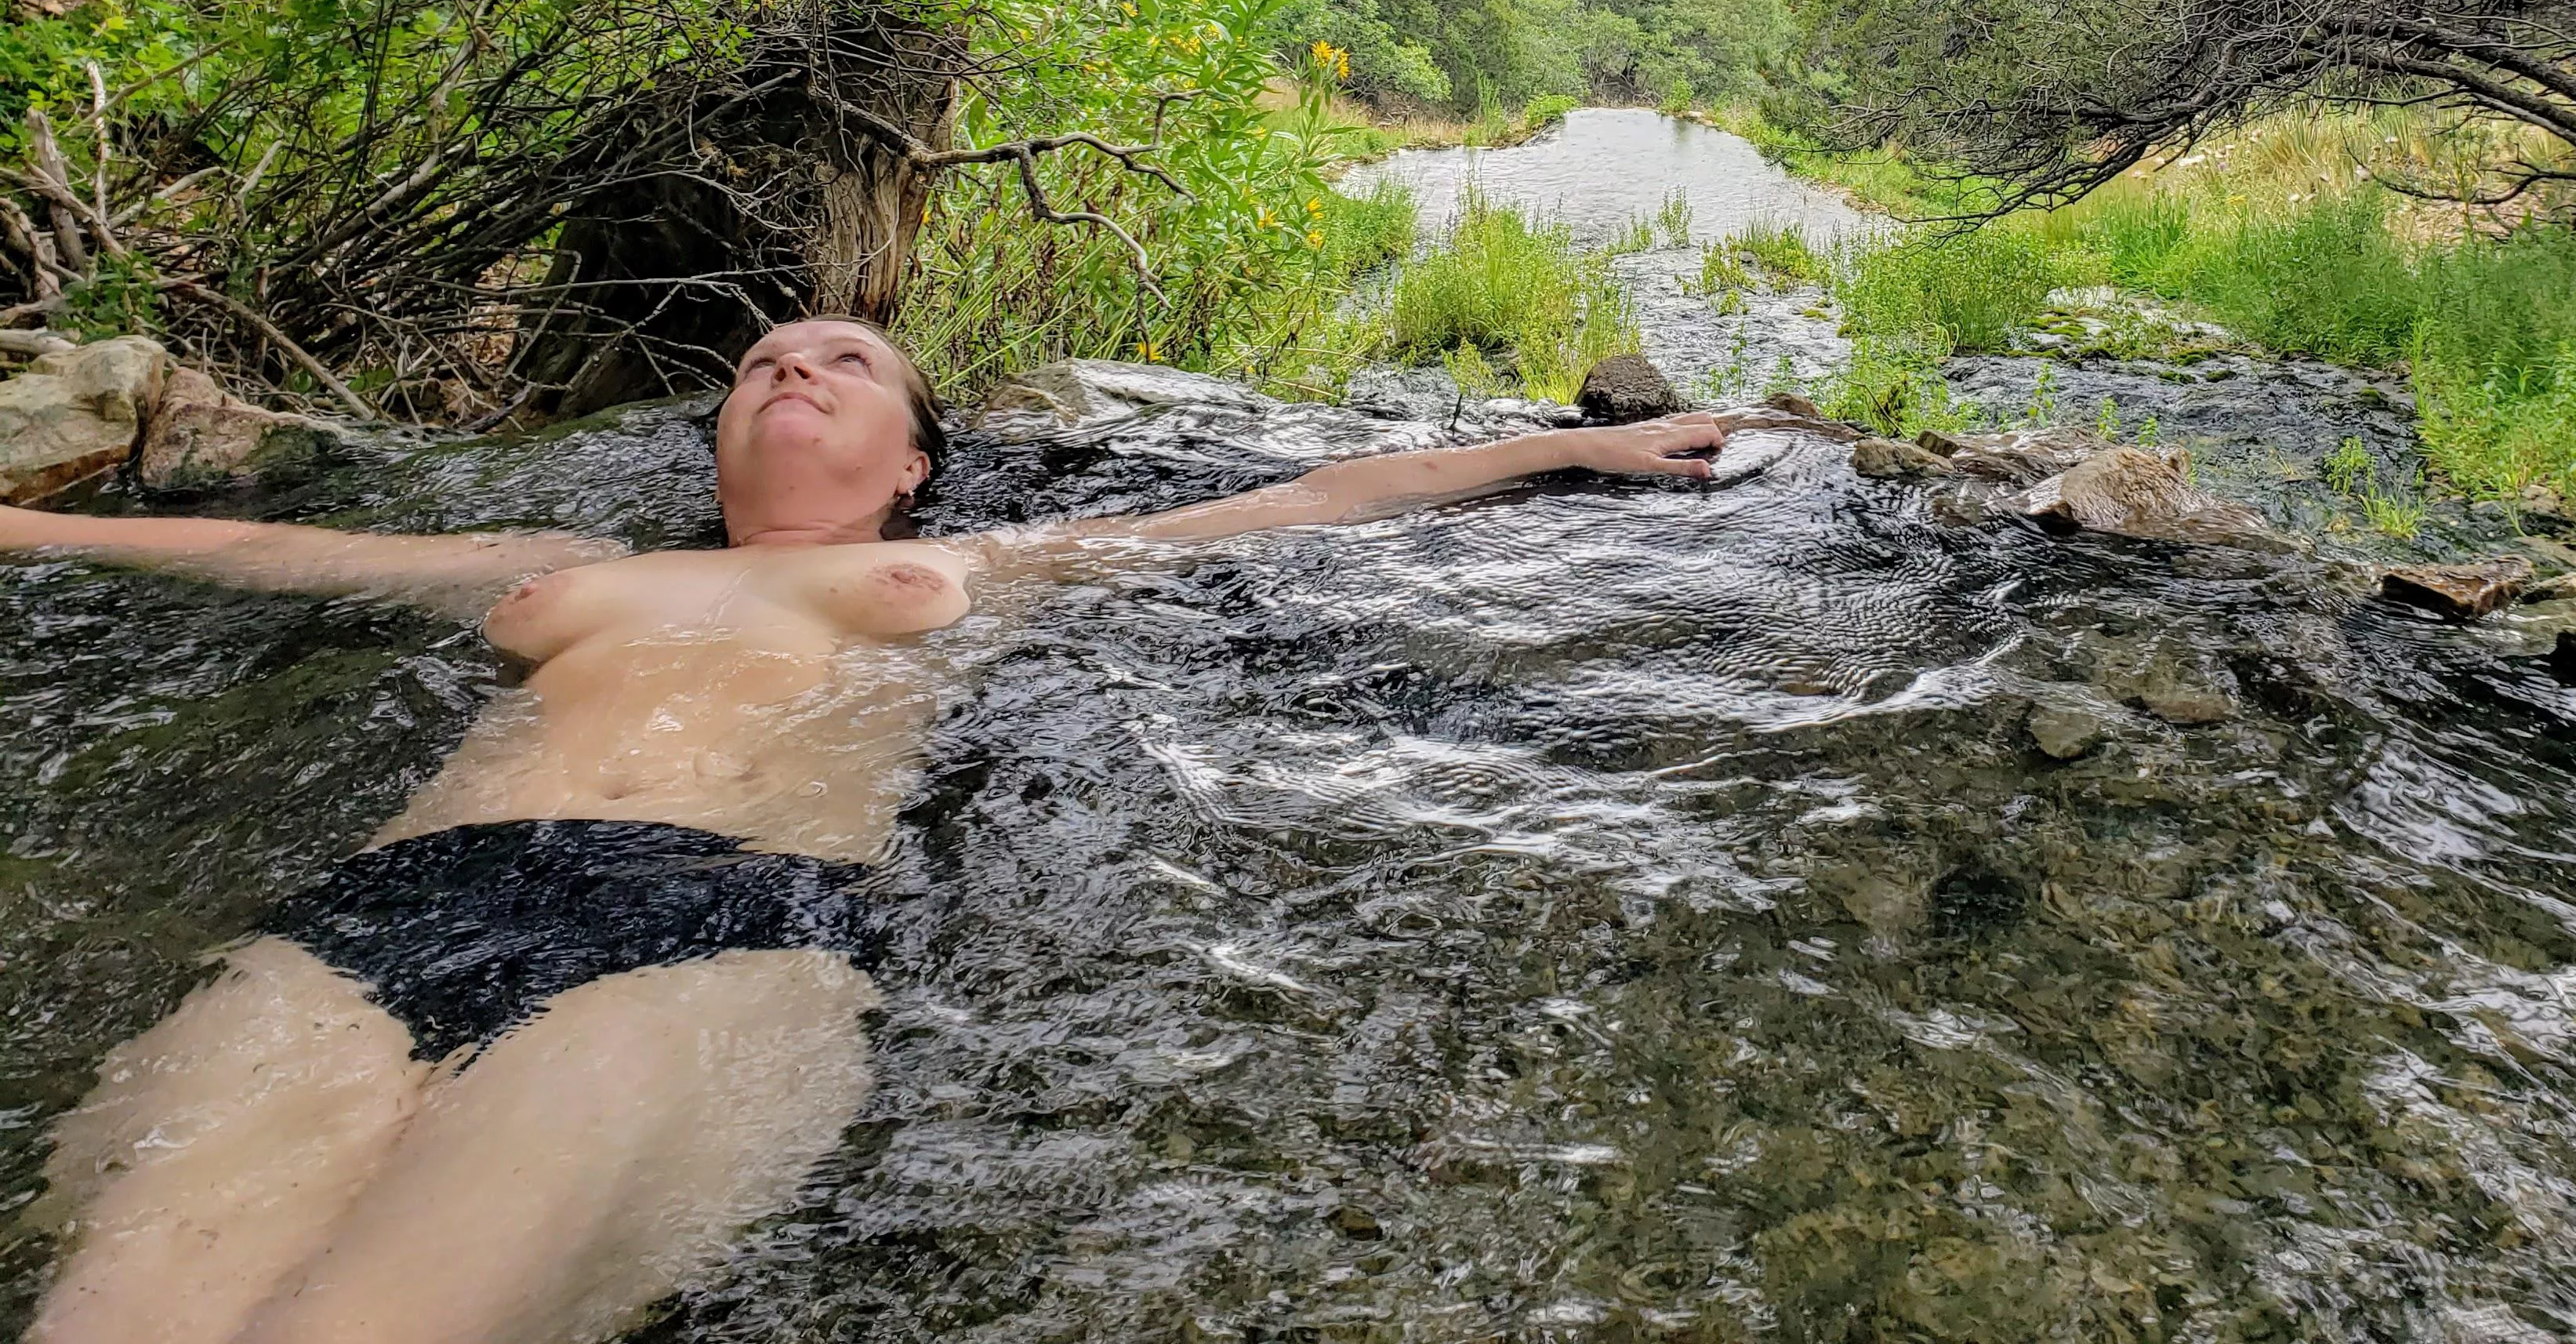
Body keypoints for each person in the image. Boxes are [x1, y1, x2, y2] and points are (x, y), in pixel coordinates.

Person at [2, 316, 1727, 1344]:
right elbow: (270, 556)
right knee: (116, 1304)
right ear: (725, 429)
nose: (792, 373)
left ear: (914, 459)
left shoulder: (972, 568)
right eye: (762, 361)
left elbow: (1299, 501)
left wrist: (1586, 447)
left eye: (843, 362)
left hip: (711, 923)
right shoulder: (563, 568)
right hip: (389, 908)